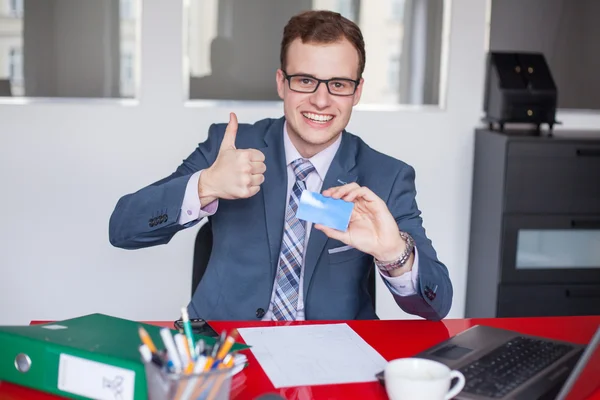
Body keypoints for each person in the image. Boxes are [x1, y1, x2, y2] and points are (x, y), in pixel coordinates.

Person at [109, 10, 453, 321]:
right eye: (305, 80)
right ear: (281, 83)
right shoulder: (227, 147)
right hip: (227, 347)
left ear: (357, 91)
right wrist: (205, 185)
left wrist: (394, 252)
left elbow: (436, 305)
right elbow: (123, 229)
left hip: (333, 356)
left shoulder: (386, 176)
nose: (321, 100)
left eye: (339, 84)